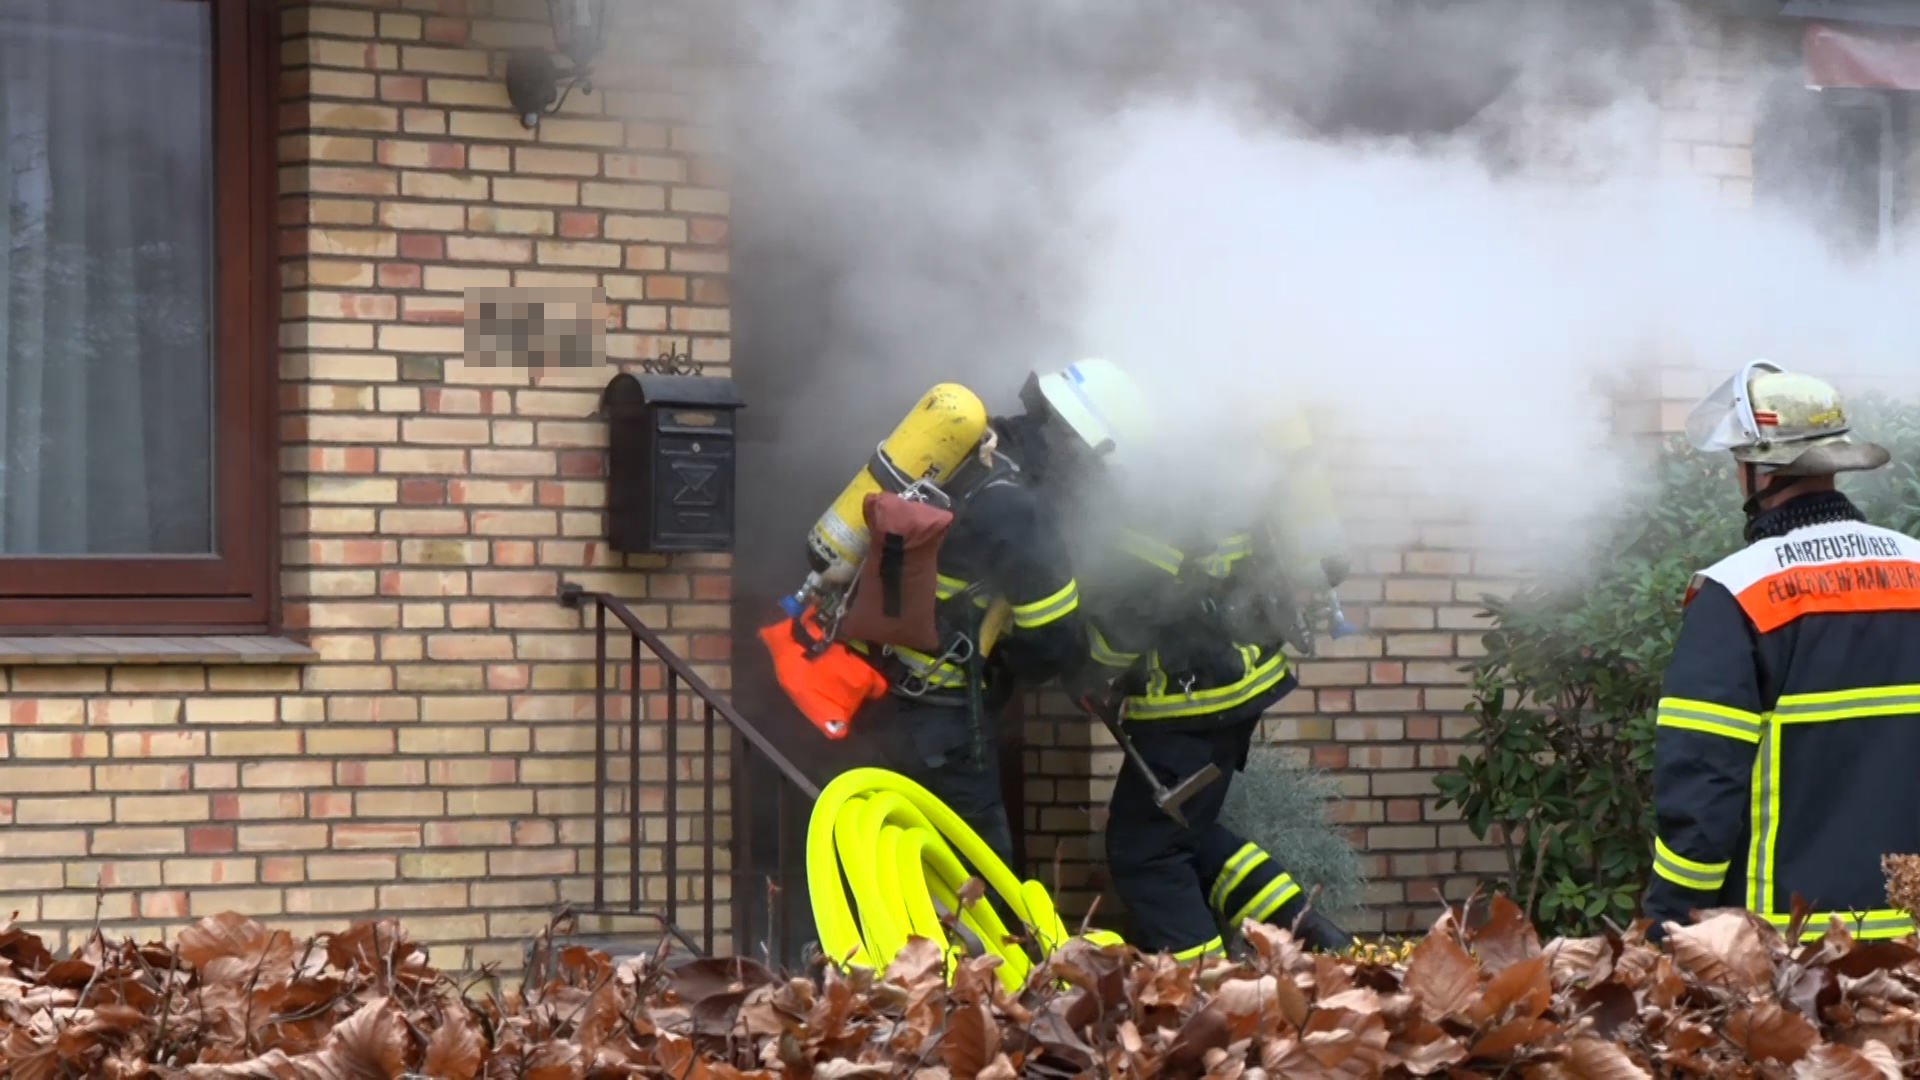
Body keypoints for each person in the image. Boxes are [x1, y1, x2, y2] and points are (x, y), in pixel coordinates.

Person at [1645, 360, 1920, 943]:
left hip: (1791, 960)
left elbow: (1702, 789)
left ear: (1755, 472)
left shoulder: (1739, 595)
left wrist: (1669, 929)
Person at [1068, 410, 1359, 958]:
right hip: (1238, 690)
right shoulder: (1225, 480)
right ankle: (1310, 931)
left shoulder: (1165, 501)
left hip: (1191, 700)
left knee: (1144, 853)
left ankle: (1198, 989)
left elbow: (1135, 612)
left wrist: (1090, 665)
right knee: (1189, 834)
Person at [851, 359, 1152, 867]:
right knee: (979, 871)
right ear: (1077, 442)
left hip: (882, 691)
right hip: (942, 716)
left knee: (892, 856)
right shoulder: (1019, 509)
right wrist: (1066, 667)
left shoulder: (971, 456)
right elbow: (1050, 639)